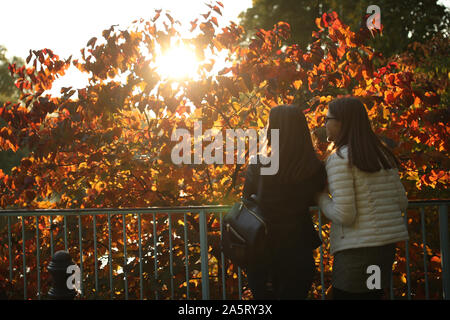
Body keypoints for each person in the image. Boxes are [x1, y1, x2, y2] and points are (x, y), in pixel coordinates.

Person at [316, 96, 409, 300]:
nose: (324, 124)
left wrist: (321, 197)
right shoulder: (382, 155)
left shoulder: (340, 159)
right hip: (383, 250)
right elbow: (402, 202)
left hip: (357, 254)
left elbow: (344, 214)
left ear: (341, 122)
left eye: (327, 119)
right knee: (372, 296)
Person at [242, 104, 327, 299]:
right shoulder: (315, 168)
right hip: (299, 251)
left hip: (263, 252)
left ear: (273, 131)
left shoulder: (258, 165)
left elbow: (246, 203)